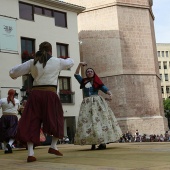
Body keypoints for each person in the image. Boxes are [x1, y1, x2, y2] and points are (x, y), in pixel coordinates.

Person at [9, 41, 74, 162]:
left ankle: (30, 154)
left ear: (39, 49)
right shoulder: (57, 61)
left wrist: (15, 76)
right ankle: (53, 146)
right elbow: (71, 62)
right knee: (56, 119)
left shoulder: (32, 62)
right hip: (50, 94)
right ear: (50, 50)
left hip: (36, 95)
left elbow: (13, 72)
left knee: (31, 121)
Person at [74, 62, 122, 150]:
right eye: (88, 71)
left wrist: (110, 94)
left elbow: (104, 88)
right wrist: (80, 64)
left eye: (91, 71)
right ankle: (93, 142)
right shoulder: (83, 81)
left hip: (97, 102)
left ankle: (102, 142)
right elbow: (76, 74)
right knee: (88, 122)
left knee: (100, 121)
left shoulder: (97, 81)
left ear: (93, 73)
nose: (89, 72)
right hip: (87, 103)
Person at [0, 89, 20, 154]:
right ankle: (9, 144)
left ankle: (6, 149)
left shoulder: (2, 100)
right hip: (13, 117)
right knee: (14, 132)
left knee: (4, 132)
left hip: (4, 117)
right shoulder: (17, 101)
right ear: (14, 94)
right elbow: (18, 109)